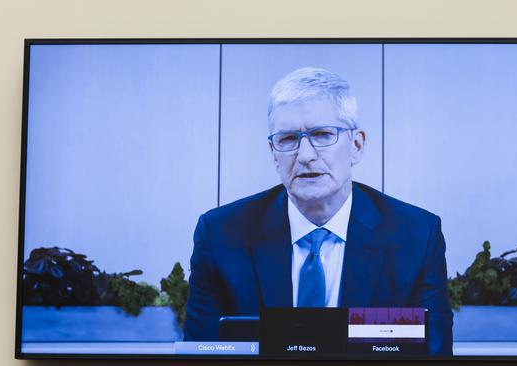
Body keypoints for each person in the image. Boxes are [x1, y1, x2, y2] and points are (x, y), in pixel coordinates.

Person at [184, 67, 453, 355]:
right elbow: (201, 353)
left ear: (357, 145)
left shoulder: (415, 236)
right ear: (273, 152)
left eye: (323, 135)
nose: (306, 155)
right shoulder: (221, 235)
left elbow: (433, 355)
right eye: (287, 139)